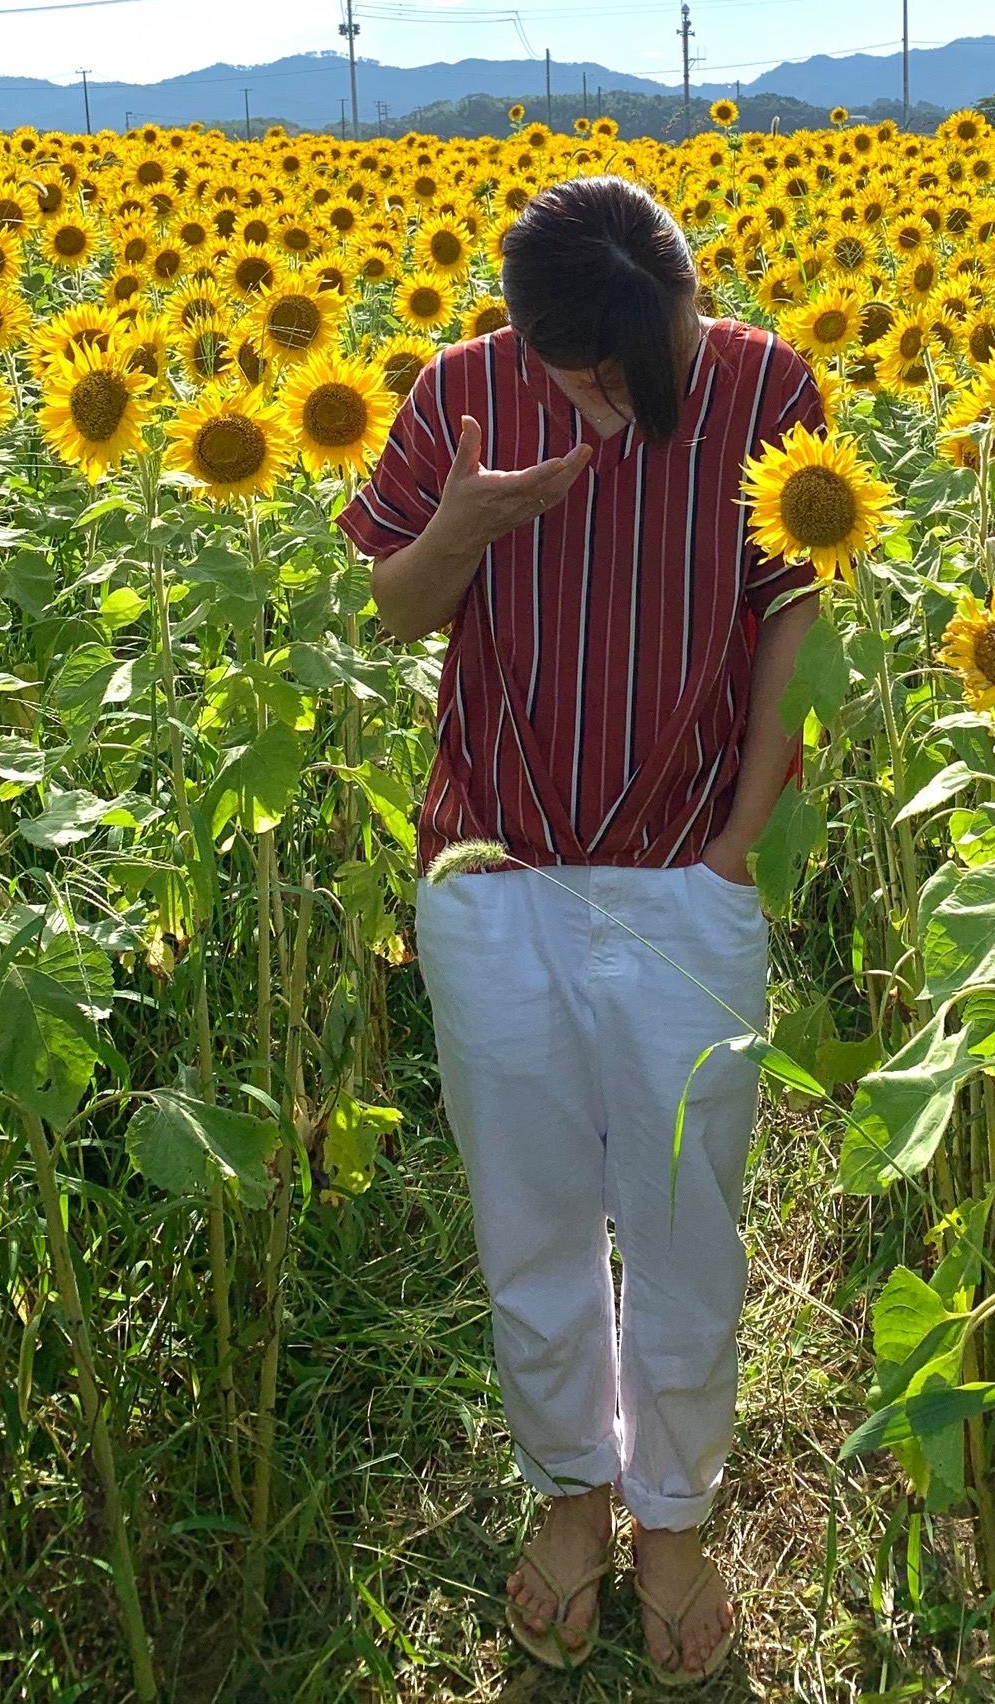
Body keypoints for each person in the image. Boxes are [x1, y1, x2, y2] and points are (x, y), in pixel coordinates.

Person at [338, 174, 823, 1684]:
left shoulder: (764, 384)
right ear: (528, 338)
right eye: (587, 376)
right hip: (499, 880)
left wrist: (741, 838)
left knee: (688, 1215)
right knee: (530, 1215)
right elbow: (391, 610)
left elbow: (796, 605)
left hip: (689, 871)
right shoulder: (462, 394)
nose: (619, 397)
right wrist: (467, 526)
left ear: (690, 298)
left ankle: (673, 1515)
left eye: (646, 358)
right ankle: (570, 1496)